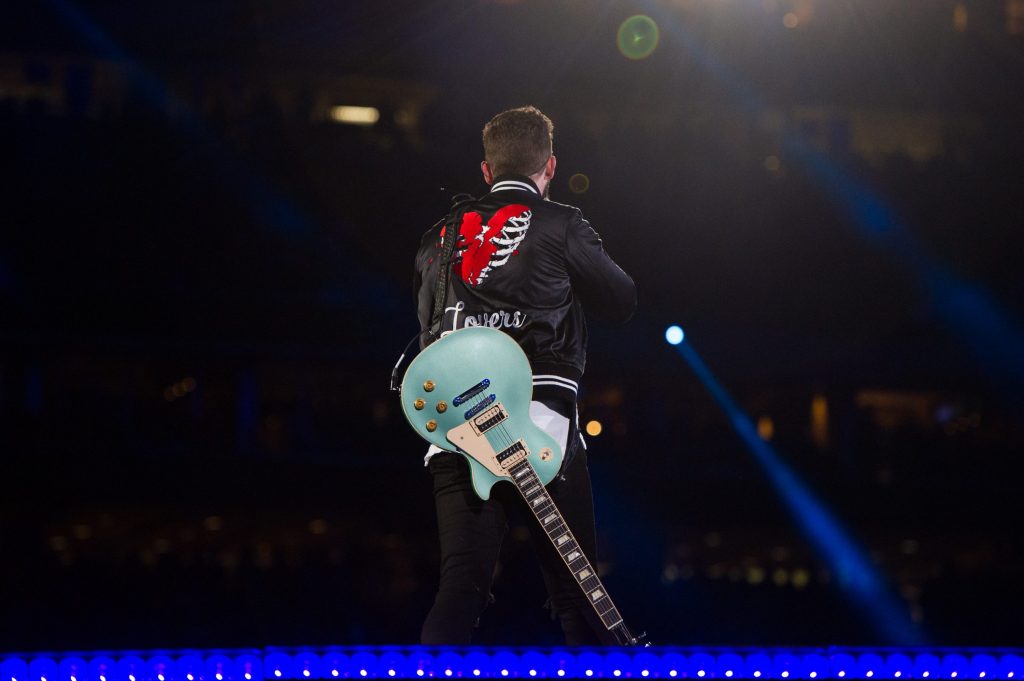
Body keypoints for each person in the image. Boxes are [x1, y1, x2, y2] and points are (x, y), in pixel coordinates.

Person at [412, 106, 637, 645]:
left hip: (458, 434)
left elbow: (425, 331)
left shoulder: (440, 237)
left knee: (460, 588)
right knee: (577, 599)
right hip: (543, 432)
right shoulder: (562, 224)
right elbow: (622, 299)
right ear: (550, 166)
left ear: (487, 171)